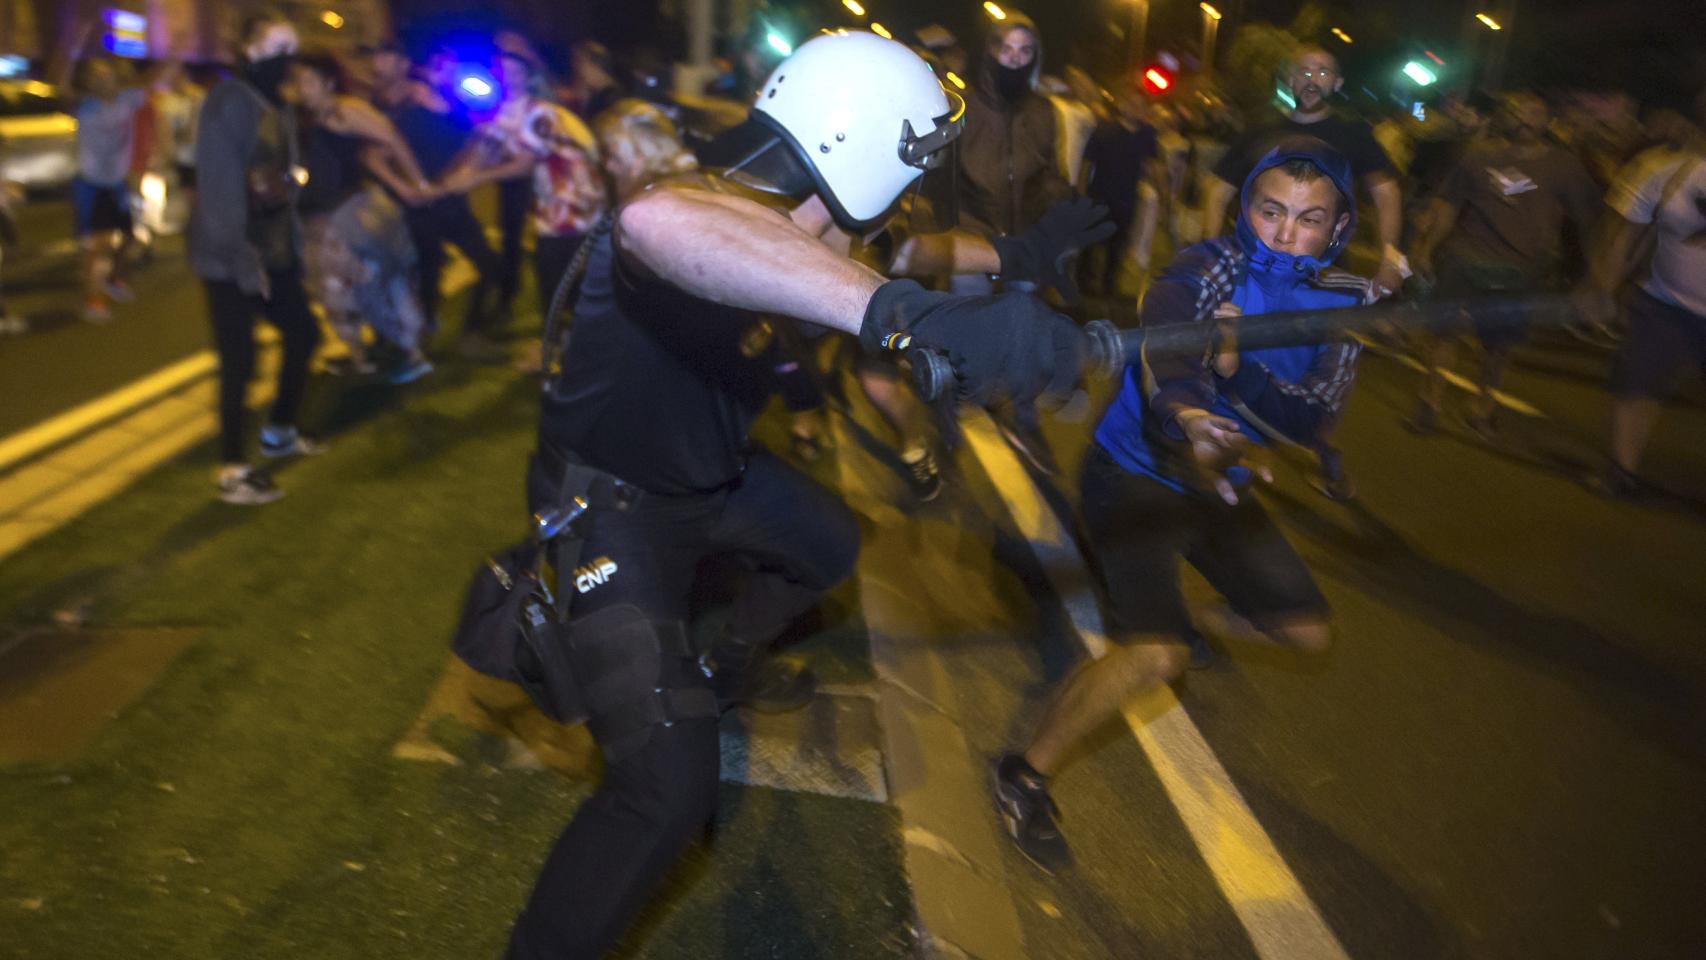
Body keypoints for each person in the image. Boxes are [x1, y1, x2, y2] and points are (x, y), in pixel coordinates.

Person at [485, 32, 1092, 959]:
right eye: (911, 168)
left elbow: (913, 246)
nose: (912, 197)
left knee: (828, 543)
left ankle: (726, 670)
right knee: (667, 790)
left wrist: (1016, 260)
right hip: (613, 508)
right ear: (864, 154)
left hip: (712, 476)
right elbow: (662, 226)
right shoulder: (691, 205)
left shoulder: (815, 214)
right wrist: (900, 313)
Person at [992, 137, 1370, 874]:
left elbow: (1310, 418)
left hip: (1219, 485)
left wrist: (1237, 373)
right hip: (1133, 471)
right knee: (1155, 655)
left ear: (1339, 228)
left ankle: (1186, 620)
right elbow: (1166, 344)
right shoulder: (1204, 265)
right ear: (1246, 208)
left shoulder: (1344, 304)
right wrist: (1194, 415)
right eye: (1271, 210)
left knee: (1307, 633)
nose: (1286, 233)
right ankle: (1023, 775)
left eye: (1310, 219)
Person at [1407, 92, 1601, 440]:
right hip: (1466, 258)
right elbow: (1447, 205)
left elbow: (1586, 218)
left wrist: (1591, 270)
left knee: (1498, 345)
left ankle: (1483, 409)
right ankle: (1429, 402)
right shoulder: (1478, 158)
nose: (1524, 117)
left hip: (1521, 268)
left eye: (1534, 109)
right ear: (1504, 118)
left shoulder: (1564, 166)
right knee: (1444, 333)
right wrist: (1425, 247)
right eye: (1516, 110)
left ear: (1547, 121)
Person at [188, 9, 322, 505]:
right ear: (249, 51)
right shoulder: (229, 101)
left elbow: (284, 180)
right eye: (276, 49)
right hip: (230, 256)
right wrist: (246, 266)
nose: (285, 59)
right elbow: (221, 194)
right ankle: (232, 470)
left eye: (291, 49)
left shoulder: (277, 104)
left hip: (272, 250)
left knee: (304, 334)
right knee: (239, 360)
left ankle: (280, 429)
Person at [1577, 89, 1706, 497]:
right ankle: (1621, 472)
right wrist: (1602, 289)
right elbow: (1624, 237)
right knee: (1635, 384)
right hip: (1665, 303)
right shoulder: (1667, 172)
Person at [1206, 44, 1406, 299]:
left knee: (1317, 335)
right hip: (1256, 267)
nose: (1312, 80)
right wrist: (1212, 256)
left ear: (1337, 83)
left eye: (1323, 72)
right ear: (1290, 80)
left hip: (1324, 271)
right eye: (1304, 72)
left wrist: (1390, 260)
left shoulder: (1354, 134)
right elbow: (1216, 192)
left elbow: (1387, 193)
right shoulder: (1261, 131)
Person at [291, 52, 436, 384]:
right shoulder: (310, 117)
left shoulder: (344, 110)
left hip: (350, 215)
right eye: (299, 81)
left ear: (328, 83)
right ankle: (366, 355)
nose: (302, 88)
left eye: (310, 81)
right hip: (324, 218)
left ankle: (407, 355)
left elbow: (391, 137)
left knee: (374, 284)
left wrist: (419, 182)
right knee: (341, 292)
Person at [438, 50, 608, 324]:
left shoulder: (538, 111)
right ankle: (562, 338)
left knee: (556, 275)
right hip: (554, 200)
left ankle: (561, 341)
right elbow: (486, 148)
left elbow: (523, 165)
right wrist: (456, 178)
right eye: (504, 71)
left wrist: (473, 179)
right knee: (557, 274)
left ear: (529, 79)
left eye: (517, 71)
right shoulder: (507, 110)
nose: (510, 77)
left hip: (572, 201)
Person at [368, 41, 505, 360]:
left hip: (448, 202)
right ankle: (423, 331)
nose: (445, 72)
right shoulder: (407, 108)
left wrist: (453, 178)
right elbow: (380, 153)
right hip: (418, 205)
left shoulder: (458, 108)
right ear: (426, 69)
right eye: (439, 65)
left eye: (451, 66)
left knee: (488, 265)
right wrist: (407, 188)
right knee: (427, 272)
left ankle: (469, 332)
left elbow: (471, 145)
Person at [60, 50, 153, 323]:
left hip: (118, 182)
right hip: (90, 183)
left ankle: (114, 279)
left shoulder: (127, 100)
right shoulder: (83, 106)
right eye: (95, 77)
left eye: (107, 75)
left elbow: (149, 81)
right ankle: (92, 299)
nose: (102, 81)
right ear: (88, 84)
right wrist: (70, 51)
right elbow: (62, 87)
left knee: (129, 236)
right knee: (97, 244)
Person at [1079, 80, 1163, 297]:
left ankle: (1109, 286)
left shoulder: (1147, 134)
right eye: (1131, 104)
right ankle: (1083, 285)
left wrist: (1160, 194)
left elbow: (1152, 165)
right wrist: (1080, 192)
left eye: (1140, 105)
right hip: (1099, 195)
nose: (1135, 109)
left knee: (1117, 245)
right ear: (1123, 105)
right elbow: (1087, 163)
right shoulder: (1105, 129)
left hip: (1126, 199)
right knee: (1090, 243)